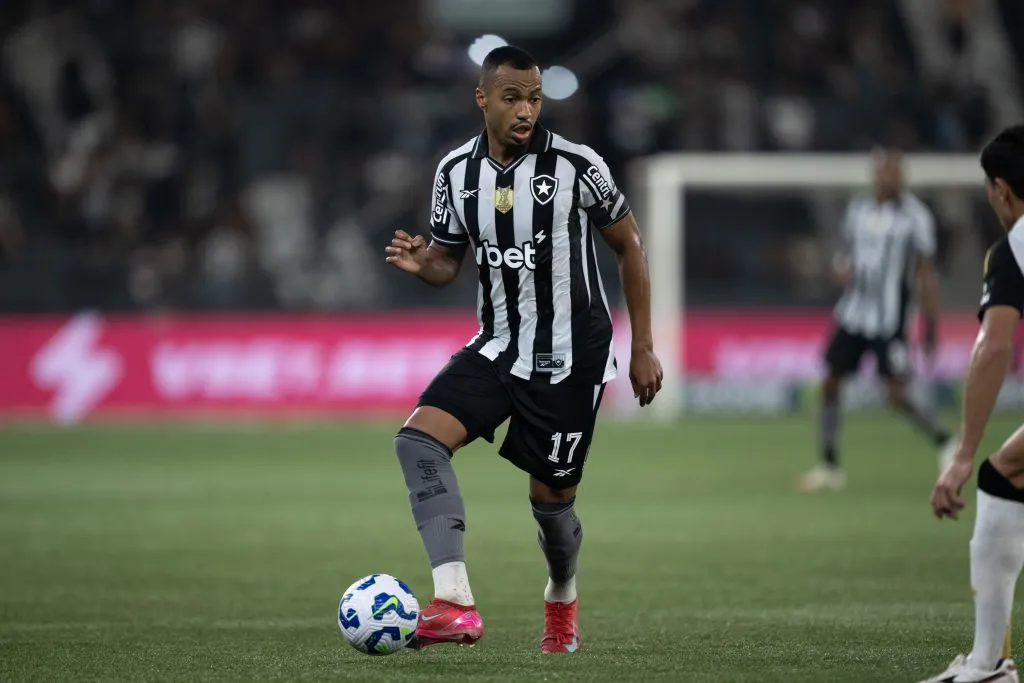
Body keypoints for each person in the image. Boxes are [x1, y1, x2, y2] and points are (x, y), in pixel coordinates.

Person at [383, 45, 663, 654]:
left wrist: (642, 345)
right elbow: (446, 262)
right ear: (482, 98)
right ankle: (453, 601)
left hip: (570, 360)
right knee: (417, 442)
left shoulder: (577, 166)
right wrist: (421, 263)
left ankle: (562, 594)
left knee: (551, 509)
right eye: (512, 97)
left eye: (534, 97)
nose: (526, 109)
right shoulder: (455, 172)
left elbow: (631, 246)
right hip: (498, 346)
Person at [919, 126, 1024, 683]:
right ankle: (989, 664)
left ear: (1002, 190)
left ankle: (987, 666)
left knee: (995, 472)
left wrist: (960, 454)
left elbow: (994, 347)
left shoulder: (1014, 248)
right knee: (1009, 473)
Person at [797, 148, 956, 492]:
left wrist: (930, 324)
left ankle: (946, 442)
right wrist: (841, 271)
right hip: (853, 313)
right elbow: (848, 258)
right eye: (881, 171)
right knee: (830, 382)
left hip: (890, 319)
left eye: (892, 171)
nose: (886, 177)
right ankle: (829, 466)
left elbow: (926, 273)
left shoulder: (916, 217)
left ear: (902, 176)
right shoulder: (859, 209)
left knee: (896, 394)